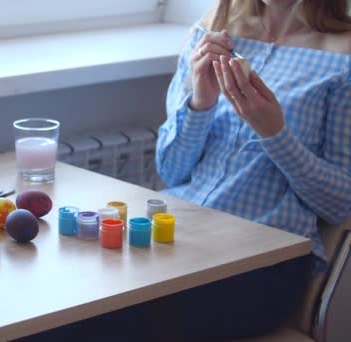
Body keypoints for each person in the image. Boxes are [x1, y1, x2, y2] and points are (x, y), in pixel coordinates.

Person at [19, 1, 351, 341]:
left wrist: (274, 134)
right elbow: (171, 170)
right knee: (49, 305)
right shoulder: (210, 35)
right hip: (177, 241)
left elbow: (339, 203)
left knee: (86, 326)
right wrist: (200, 103)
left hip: (260, 268)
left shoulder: (343, 60)